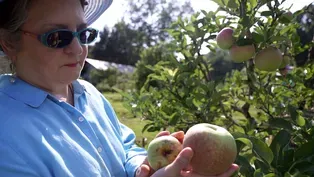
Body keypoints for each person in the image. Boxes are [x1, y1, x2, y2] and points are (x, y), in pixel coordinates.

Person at [0, 0, 239, 177]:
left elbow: (124, 148)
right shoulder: (6, 135)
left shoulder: (88, 94)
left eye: (83, 34)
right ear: (9, 42)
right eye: (57, 37)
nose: (78, 49)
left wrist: (143, 167)